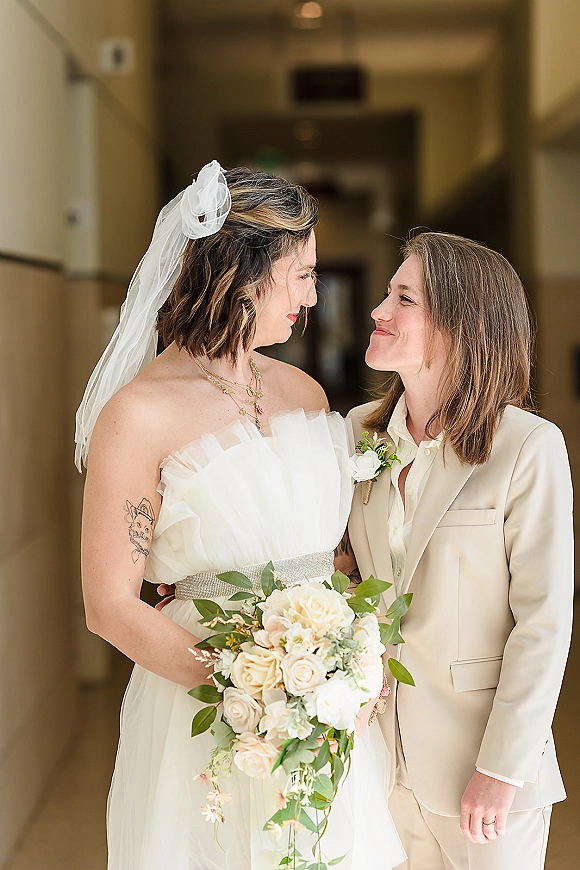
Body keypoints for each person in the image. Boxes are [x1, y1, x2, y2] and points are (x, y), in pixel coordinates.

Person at [76, 161, 405, 870]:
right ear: (242, 272)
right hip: (211, 707)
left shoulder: (307, 394)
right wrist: (253, 691)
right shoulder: (138, 415)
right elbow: (108, 606)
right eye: (303, 274)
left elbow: (341, 556)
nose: (313, 296)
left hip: (325, 705)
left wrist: (350, 665)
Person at [340, 231, 574, 870]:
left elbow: (542, 623)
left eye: (403, 297)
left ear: (457, 325)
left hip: (482, 772)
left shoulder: (528, 447)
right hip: (377, 765)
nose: (378, 311)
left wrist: (502, 767)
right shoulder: (355, 435)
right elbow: (329, 564)